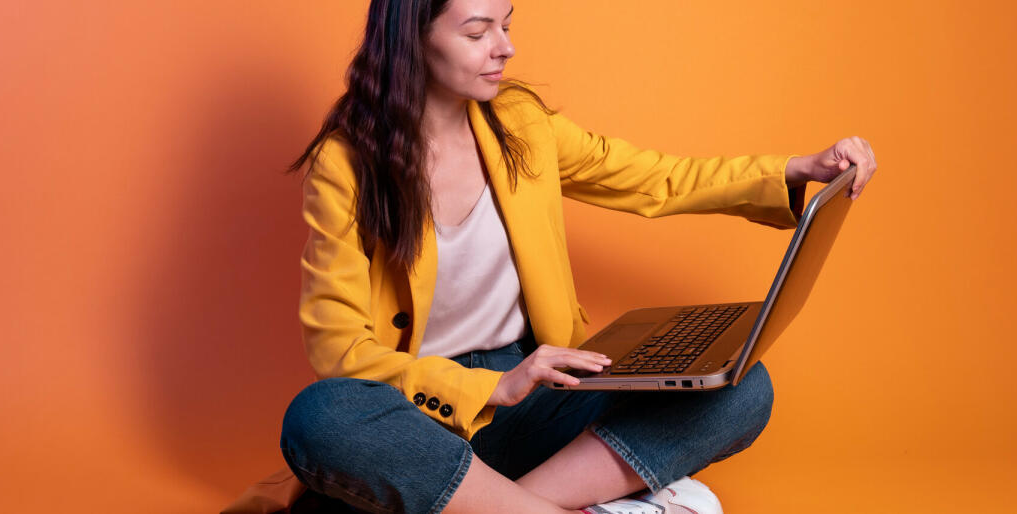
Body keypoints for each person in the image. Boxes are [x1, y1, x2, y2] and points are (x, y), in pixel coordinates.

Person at [224, 0, 877, 513]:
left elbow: (653, 177)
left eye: (506, 26)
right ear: (413, 42)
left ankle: (493, 508)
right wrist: (489, 386)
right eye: (478, 32)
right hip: (421, 421)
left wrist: (795, 169)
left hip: (541, 397)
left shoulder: (521, 122)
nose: (504, 47)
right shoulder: (346, 164)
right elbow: (341, 354)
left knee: (742, 386)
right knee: (321, 416)